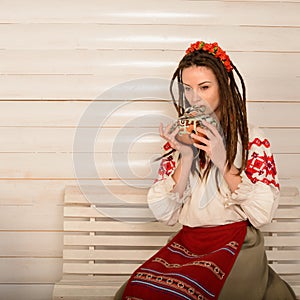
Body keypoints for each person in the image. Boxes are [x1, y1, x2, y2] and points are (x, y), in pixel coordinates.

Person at [114, 41, 296, 299]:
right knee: (136, 291)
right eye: (187, 89)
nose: (194, 97)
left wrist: (222, 161)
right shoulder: (180, 141)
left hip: (237, 244)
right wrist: (186, 157)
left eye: (204, 87)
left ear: (224, 86)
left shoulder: (252, 138)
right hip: (189, 244)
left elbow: (262, 214)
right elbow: (167, 214)